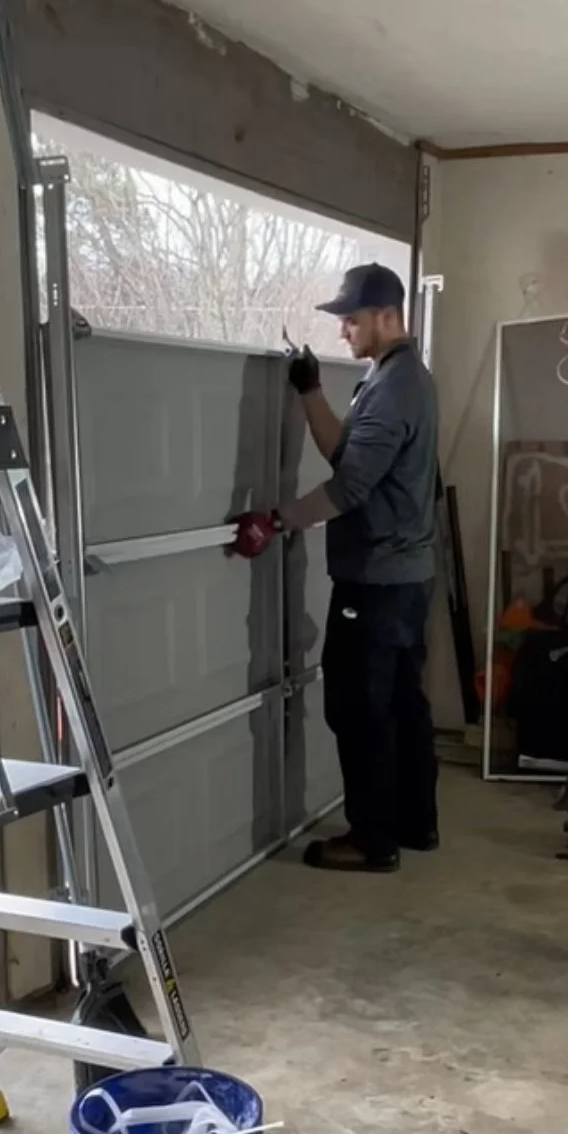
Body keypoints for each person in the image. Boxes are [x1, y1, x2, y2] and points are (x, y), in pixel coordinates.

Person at [231, 262, 439, 872]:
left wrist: (275, 520)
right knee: (403, 704)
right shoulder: (396, 380)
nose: (343, 330)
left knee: (358, 707)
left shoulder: (395, 388)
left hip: (375, 583)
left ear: (386, 316)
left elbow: (347, 489)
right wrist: (309, 390)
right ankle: (413, 824)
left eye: (351, 319)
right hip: (405, 579)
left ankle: (372, 841)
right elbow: (347, 451)